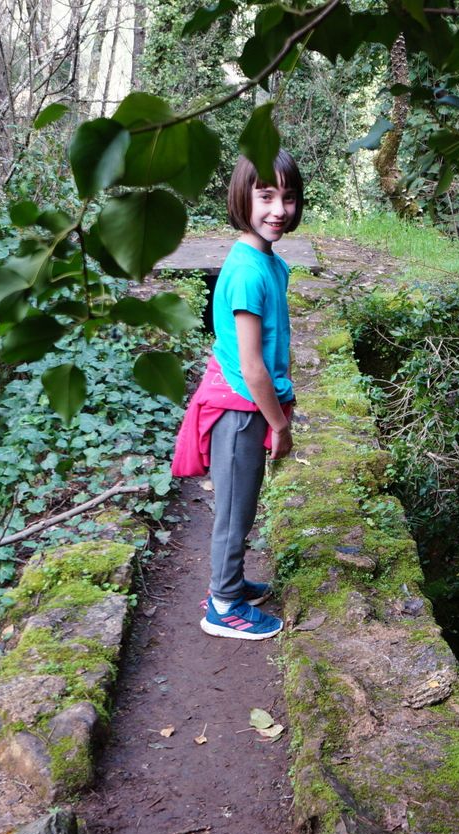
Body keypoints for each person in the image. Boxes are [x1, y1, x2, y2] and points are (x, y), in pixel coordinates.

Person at [170, 151, 302, 640]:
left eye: (288, 198)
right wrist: (281, 425)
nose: (278, 210)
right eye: (266, 196)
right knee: (233, 509)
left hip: (250, 407)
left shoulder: (268, 261)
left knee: (242, 503)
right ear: (241, 198)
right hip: (240, 410)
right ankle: (222, 605)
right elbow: (251, 365)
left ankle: (231, 582)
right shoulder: (248, 271)